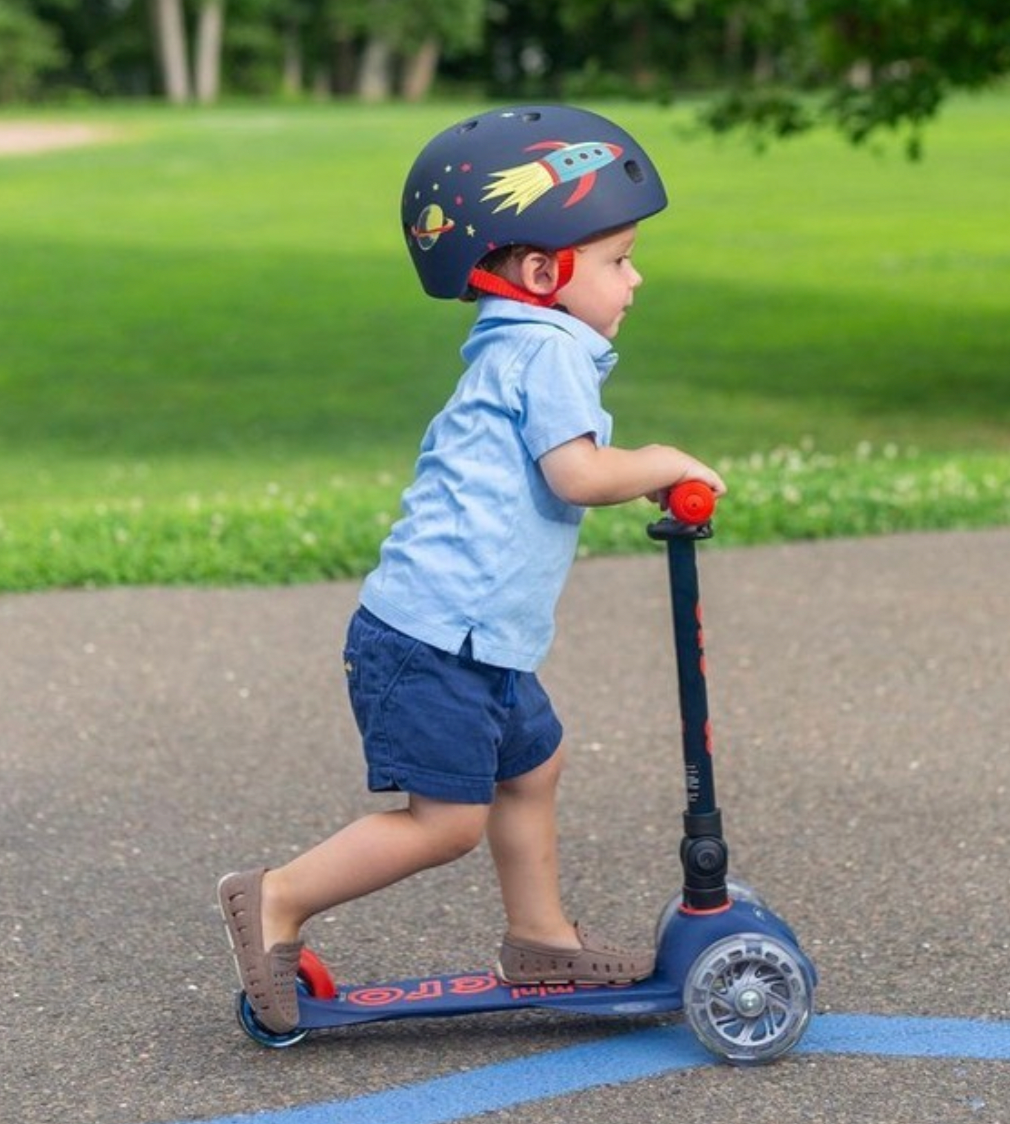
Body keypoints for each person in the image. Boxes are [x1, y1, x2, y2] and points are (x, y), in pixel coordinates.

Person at [218, 104, 726, 1034]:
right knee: (446, 820)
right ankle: (277, 899)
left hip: (470, 638)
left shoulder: (521, 339)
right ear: (543, 272)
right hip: (434, 640)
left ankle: (540, 939)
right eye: (618, 260)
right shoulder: (544, 348)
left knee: (533, 764)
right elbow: (577, 472)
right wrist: (662, 462)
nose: (635, 278)